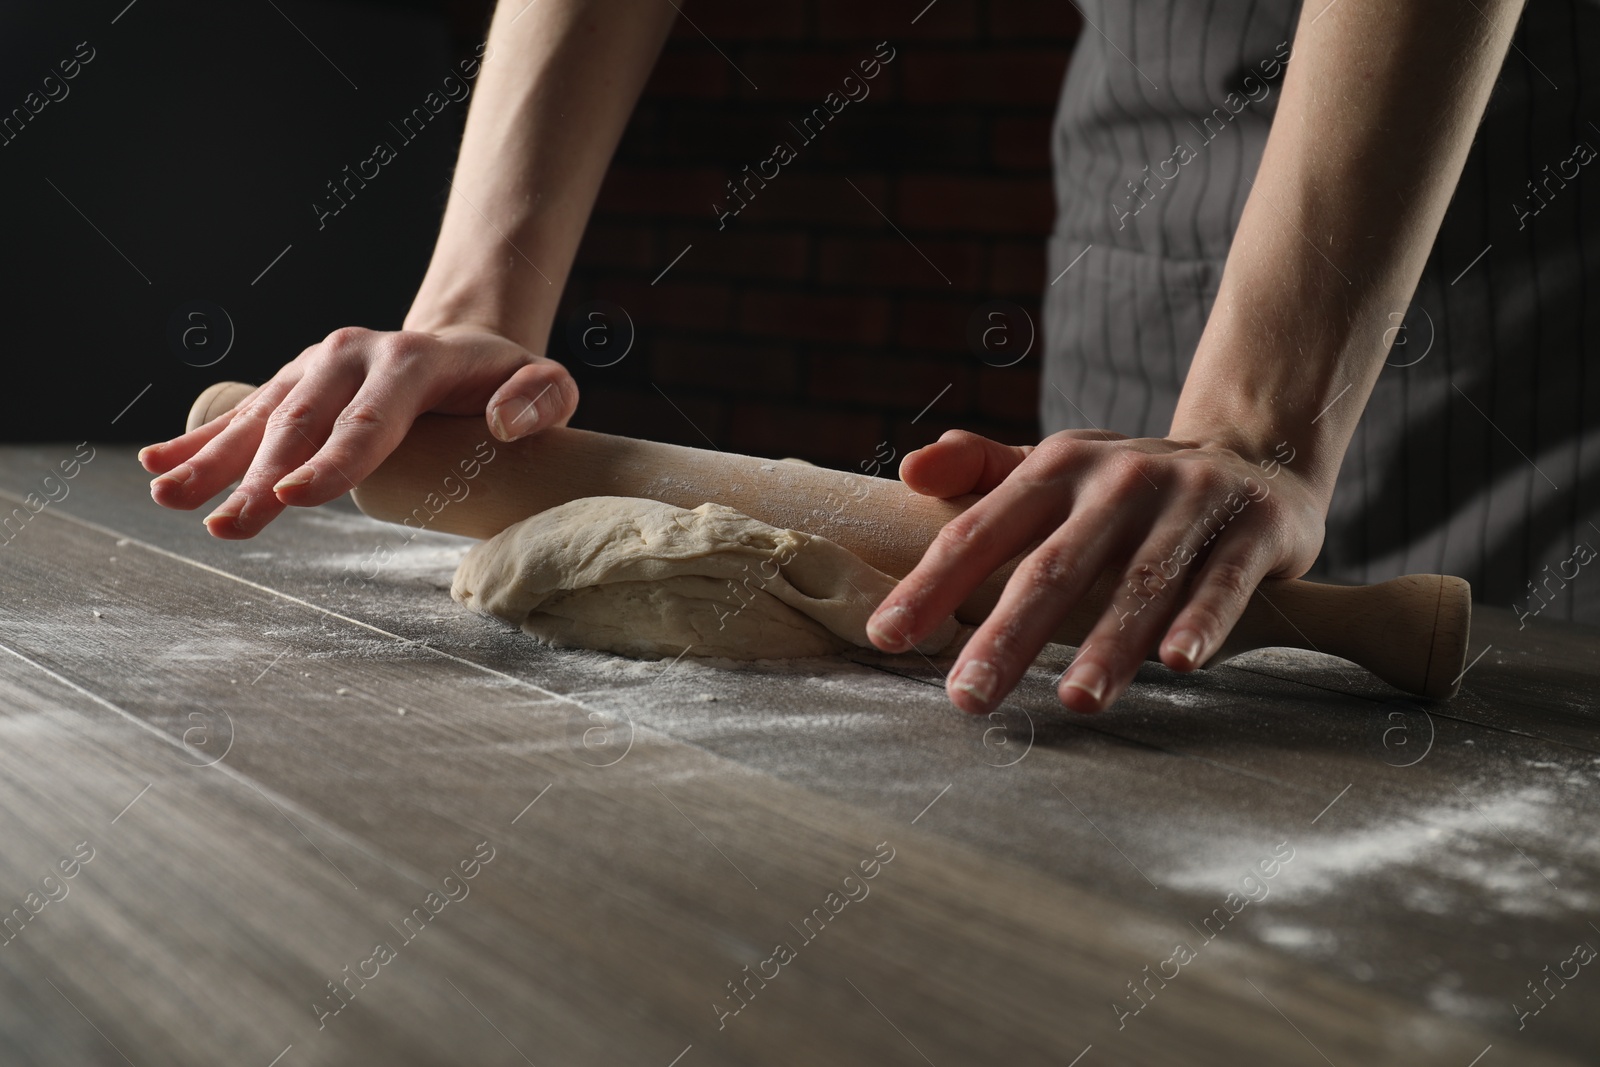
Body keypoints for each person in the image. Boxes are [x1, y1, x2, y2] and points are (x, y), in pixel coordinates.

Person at [142, 0, 1577, 719]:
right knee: (1113, 684)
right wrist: (478, 301)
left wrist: (1258, 422)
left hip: (1513, 253)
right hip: (1148, 190)